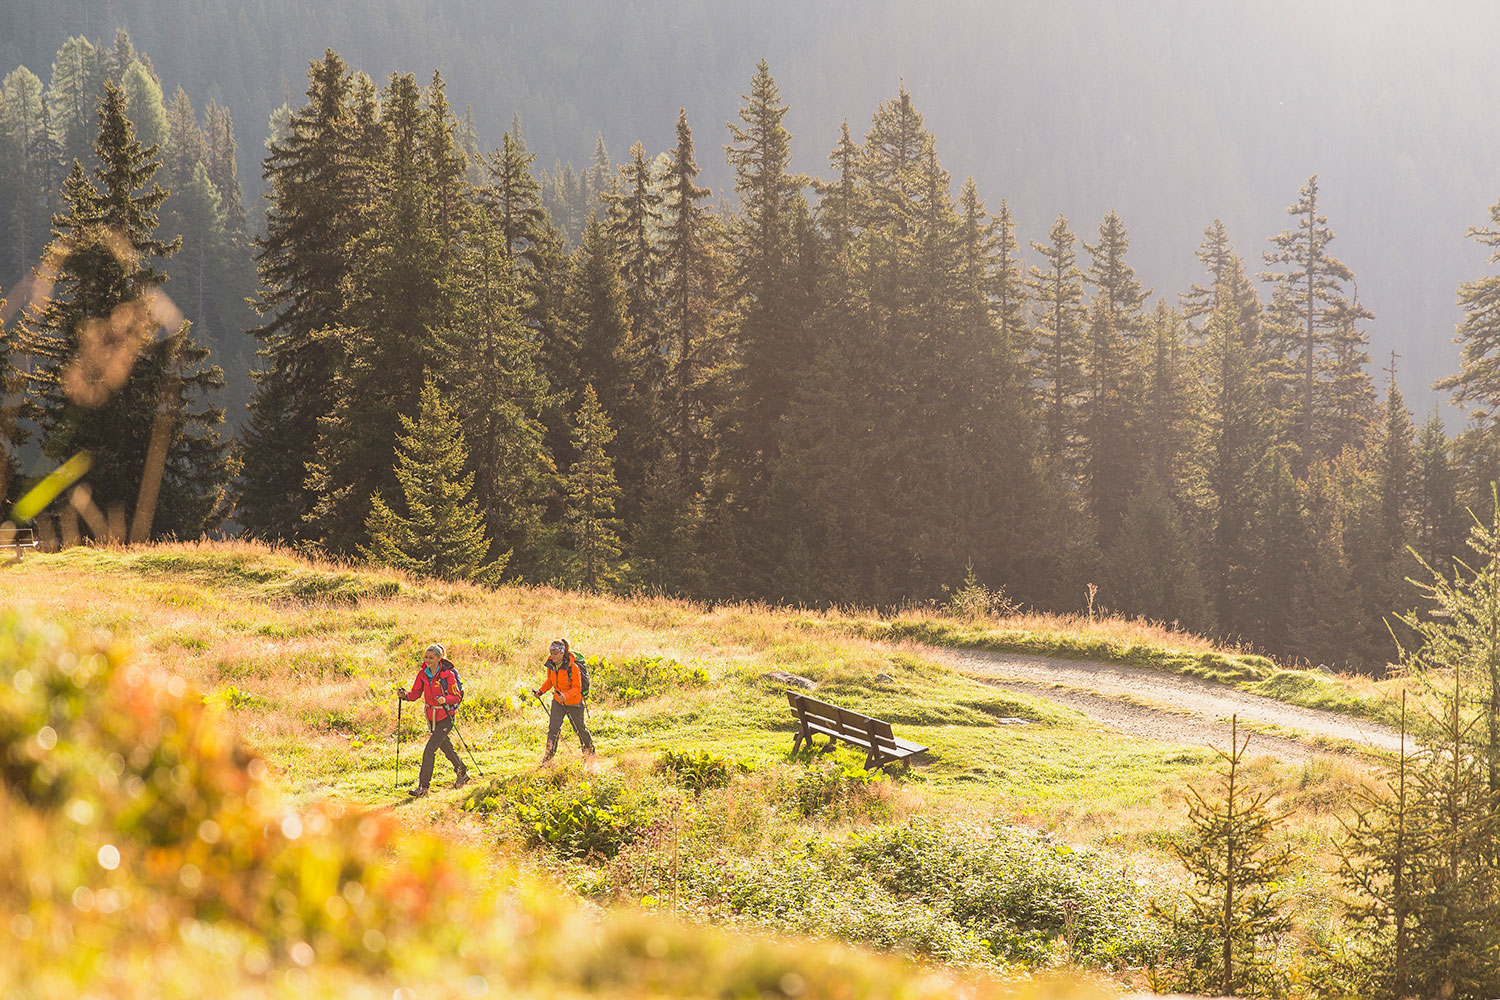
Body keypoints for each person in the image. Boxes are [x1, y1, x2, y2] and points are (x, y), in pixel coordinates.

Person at [397, 643, 469, 796]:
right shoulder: (423, 674)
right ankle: (462, 771)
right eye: (426, 657)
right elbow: (416, 693)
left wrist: (445, 699)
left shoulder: (447, 674)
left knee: (429, 750)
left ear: (439, 658)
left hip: (446, 716)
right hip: (432, 718)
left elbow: (456, 696)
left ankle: (423, 788)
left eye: (431, 657)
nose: (428, 660)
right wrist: (405, 696)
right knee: (446, 747)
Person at [535, 638, 594, 762]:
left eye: (555, 654)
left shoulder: (573, 667)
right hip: (558, 702)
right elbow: (550, 681)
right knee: (553, 729)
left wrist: (565, 696)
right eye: (551, 653)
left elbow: (577, 688)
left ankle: (590, 756)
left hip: (574, 703)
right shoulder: (551, 664)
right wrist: (540, 691)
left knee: (580, 729)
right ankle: (547, 760)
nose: (552, 656)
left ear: (562, 653)